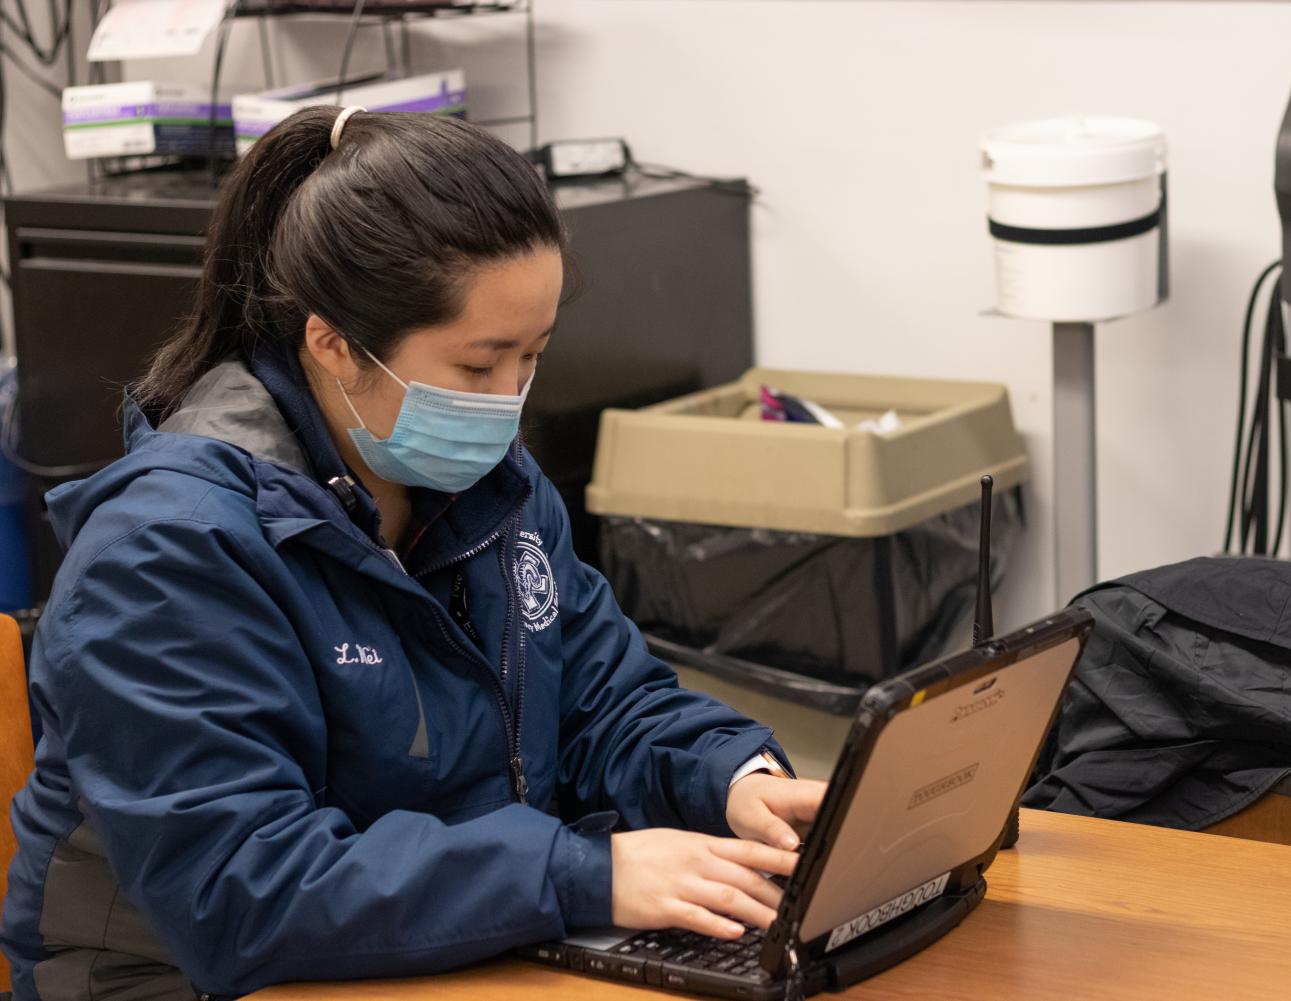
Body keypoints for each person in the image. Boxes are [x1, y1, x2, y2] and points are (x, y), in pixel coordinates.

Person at [0, 106, 826, 1001]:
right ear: (334, 343)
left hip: (442, 943)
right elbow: (242, 889)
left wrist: (728, 777)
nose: (508, 401)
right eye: (478, 367)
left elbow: (601, 700)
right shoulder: (167, 551)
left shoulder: (483, 487)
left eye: (533, 356)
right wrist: (575, 874)